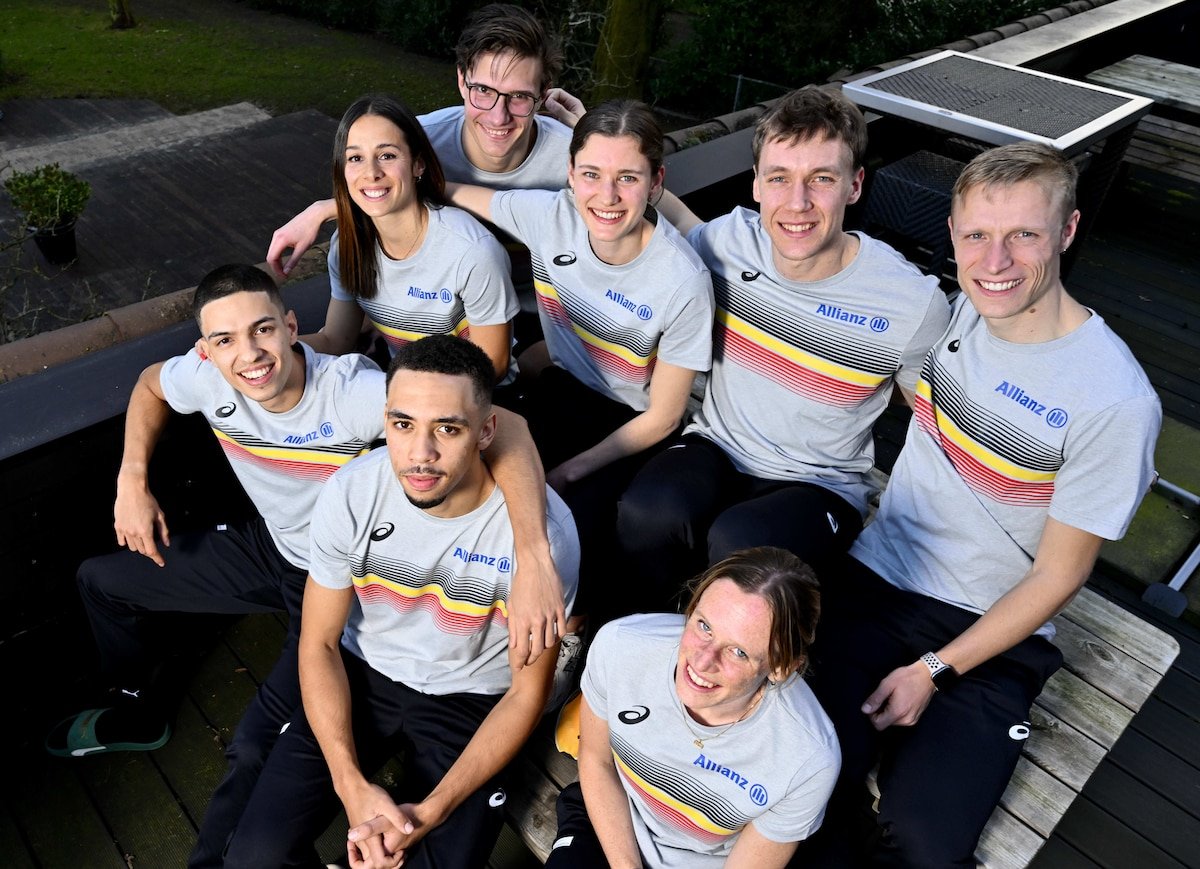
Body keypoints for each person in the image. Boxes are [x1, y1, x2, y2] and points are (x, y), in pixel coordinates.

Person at [41, 264, 564, 866]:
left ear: (292, 327)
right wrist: (132, 478)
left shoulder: (354, 395)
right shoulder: (209, 378)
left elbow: (504, 427)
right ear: (205, 351)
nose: (249, 354)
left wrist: (531, 554)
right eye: (225, 341)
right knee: (101, 581)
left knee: (257, 741)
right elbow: (149, 385)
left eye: (262, 330)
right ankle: (138, 704)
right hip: (274, 546)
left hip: (347, 575)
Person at [801, 141, 1161, 867]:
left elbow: (1058, 578)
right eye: (976, 236)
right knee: (802, 777)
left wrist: (934, 669)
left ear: (1066, 232)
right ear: (954, 237)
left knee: (928, 845)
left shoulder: (1115, 400)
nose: (995, 261)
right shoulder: (957, 314)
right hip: (877, 581)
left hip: (993, 628)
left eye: (1023, 235)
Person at [219, 335, 580, 869]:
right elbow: (317, 643)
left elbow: (525, 695)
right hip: (363, 674)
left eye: (448, 429)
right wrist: (351, 787)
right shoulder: (352, 493)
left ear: (486, 431)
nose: (420, 454)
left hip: (473, 698)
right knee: (253, 859)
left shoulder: (547, 540)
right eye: (403, 424)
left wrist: (431, 812)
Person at [610, 86, 951, 609]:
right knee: (647, 511)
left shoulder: (910, 303)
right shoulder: (728, 243)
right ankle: (640, 637)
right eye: (779, 178)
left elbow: (930, 418)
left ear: (855, 185)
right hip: (719, 447)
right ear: (756, 186)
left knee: (742, 548)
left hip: (820, 484)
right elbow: (670, 220)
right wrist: (594, 137)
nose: (797, 203)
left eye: (821, 179)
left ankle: (722, 666)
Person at [445, 99, 714, 621]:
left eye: (627, 178)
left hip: (634, 430)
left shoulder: (682, 279)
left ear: (656, 182)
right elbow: (449, 189)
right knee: (472, 481)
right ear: (570, 174)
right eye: (591, 174)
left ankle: (575, 633)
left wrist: (570, 471)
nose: (607, 196)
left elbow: (663, 417)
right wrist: (326, 210)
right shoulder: (551, 216)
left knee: (568, 528)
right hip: (564, 391)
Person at [546, 547, 839, 868]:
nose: (701, 661)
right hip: (612, 821)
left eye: (738, 652)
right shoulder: (622, 646)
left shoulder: (807, 759)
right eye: (703, 626)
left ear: (782, 667)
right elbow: (596, 759)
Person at [266, 3, 579, 279]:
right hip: (443, 308)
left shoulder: (575, 159)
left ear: (543, 92)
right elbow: (378, 194)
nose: (498, 117)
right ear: (461, 80)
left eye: (520, 96)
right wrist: (323, 209)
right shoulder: (415, 141)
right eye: (482, 90)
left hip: (546, 310)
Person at [303, 93, 517, 383]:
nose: (371, 173)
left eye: (387, 155)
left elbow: (492, 367)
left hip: (473, 396)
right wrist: (272, 349)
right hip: (404, 387)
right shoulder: (347, 243)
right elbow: (336, 340)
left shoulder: (472, 252)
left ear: (418, 164)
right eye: (355, 158)